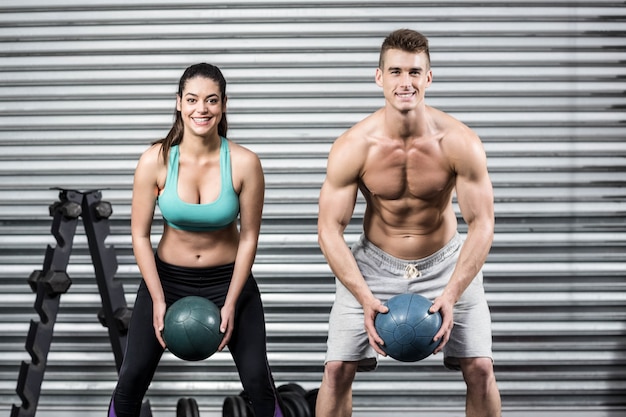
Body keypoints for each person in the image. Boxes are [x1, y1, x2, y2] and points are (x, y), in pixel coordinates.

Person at [316, 29, 501, 417]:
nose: (406, 82)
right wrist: (365, 297)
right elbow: (329, 229)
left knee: (481, 369)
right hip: (373, 266)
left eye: (415, 72)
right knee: (335, 372)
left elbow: (482, 222)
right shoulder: (353, 146)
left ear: (429, 77)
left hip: (446, 264)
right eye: (396, 71)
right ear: (379, 76)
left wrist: (450, 294)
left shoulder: (459, 142)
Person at [108, 63, 284, 417]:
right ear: (178, 103)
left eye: (211, 100)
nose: (201, 109)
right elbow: (140, 235)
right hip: (167, 280)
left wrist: (232, 301)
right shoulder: (155, 160)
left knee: (258, 383)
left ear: (223, 105)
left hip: (228, 280)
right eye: (192, 99)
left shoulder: (245, 162)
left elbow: (249, 237)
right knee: (130, 381)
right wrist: (158, 299)